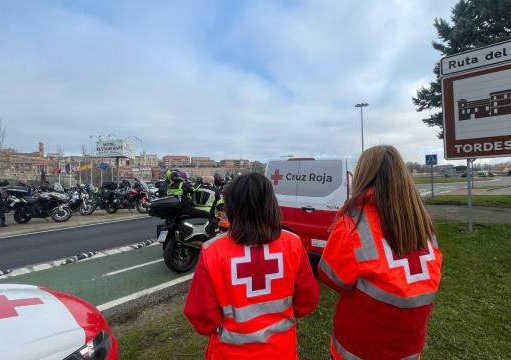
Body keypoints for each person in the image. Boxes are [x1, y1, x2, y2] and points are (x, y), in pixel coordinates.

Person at [318, 145, 442, 360]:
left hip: (361, 347)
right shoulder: (421, 222)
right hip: (409, 345)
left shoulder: (353, 222)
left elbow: (333, 278)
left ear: (363, 176)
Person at [184, 173, 319, 359]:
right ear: (271, 204)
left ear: (232, 207)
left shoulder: (213, 251)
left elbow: (200, 315)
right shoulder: (293, 244)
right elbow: (307, 301)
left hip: (229, 353)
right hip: (281, 351)